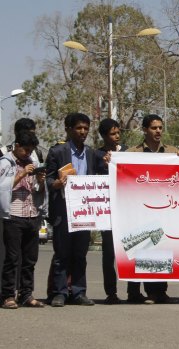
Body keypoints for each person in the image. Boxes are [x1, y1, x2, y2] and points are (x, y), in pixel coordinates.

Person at [46, 112, 105, 307]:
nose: (83, 132)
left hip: (84, 212)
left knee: (80, 254)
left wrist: (109, 160)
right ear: (69, 129)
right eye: (79, 128)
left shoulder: (91, 153)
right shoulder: (57, 152)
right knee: (62, 254)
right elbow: (47, 179)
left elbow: (102, 173)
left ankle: (79, 292)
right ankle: (60, 293)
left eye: (86, 128)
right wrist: (57, 183)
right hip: (63, 212)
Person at [126, 114, 179, 304]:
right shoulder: (132, 154)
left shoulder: (172, 152)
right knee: (141, 249)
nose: (158, 131)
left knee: (160, 249)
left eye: (160, 127)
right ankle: (141, 292)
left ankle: (159, 291)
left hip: (163, 209)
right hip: (139, 210)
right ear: (145, 130)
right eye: (154, 128)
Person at [96, 118, 145, 305]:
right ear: (103, 136)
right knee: (109, 254)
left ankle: (134, 291)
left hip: (129, 211)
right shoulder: (96, 154)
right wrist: (105, 165)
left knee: (134, 251)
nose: (117, 136)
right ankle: (111, 293)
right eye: (112, 133)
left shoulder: (127, 152)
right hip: (108, 212)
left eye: (118, 133)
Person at [0, 131, 47, 308]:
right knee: (12, 258)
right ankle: (7, 295)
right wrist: (20, 175)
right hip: (13, 215)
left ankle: (26, 294)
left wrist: (40, 181)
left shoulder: (33, 163)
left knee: (30, 259)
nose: (28, 153)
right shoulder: (5, 163)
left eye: (31, 150)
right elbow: (2, 188)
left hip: (32, 214)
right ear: (17, 146)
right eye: (25, 150)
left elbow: (37, 191)